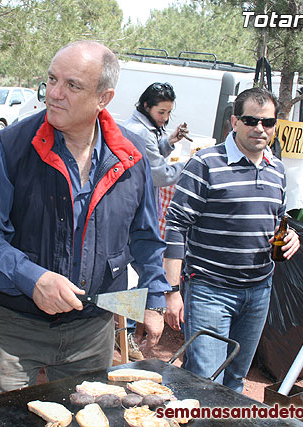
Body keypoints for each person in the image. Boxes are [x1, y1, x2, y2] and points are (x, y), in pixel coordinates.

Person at [0, 40, 171, 398]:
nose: (54, 94)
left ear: (104, 98)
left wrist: (154, 300)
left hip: (93, 330)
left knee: (86, 419)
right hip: (12, 330)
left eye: (72, 85)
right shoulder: (10, 148)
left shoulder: (131, 157)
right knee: (2, 422)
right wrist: (33, 278)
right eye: (52, 80)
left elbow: (146, 237)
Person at [163, 87, 300, 393]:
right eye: (251, 120)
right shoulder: (206, 164)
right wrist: (172, 291)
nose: (259, 128)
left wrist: (291, 237)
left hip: (259, 291)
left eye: (267, 122)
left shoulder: (277, 169)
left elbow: (278, 220)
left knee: (236, 380)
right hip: (211, 291)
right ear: (235, 121)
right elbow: (175, 226)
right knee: (207, 381)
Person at [122, 82, 190, 360]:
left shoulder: (144, 128)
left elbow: (150, 154)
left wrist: (169, 141)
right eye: (161, 112)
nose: (164, 118)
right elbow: (159, 174)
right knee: (144, 269)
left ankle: (126, 332)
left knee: (140, 270)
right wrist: (192, 164)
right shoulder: (139, 130)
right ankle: (126, 332)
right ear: (145, 106)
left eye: (168, 114)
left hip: (135, 206)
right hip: (132, 209)